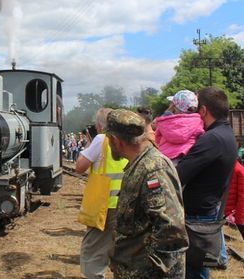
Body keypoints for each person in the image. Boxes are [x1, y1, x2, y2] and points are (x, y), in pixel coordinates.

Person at [106, 109, 188, 278]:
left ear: (116, 140)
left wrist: (152, 271)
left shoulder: (154, 169)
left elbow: (171, 231)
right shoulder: (138, 165)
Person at [176, 86, 238, 278]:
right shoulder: (226, 135)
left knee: (194, 270)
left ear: (203, 110)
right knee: (199, 267)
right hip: (207, 211)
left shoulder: (212, 139)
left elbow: (179, 174)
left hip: (198, 216)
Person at [76, 108, 128, 279]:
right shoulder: (128, 140)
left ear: (99, 126)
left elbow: (80, 166)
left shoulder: (101, 139)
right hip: (126, 204)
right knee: (119, 250)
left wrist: (89, 144)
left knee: (93, 254)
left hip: (105, 206)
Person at [155, 90, 204, 165]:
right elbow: (201, 136)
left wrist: (167, 114)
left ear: (174, 106)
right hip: (184, 158)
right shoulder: (197, 122)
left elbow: (157, 138)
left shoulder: (165, 122)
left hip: (164, 158)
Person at [225, 157, 244, 239]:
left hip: (236, 213)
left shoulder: (238, 170)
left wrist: (240, 219)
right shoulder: (233, 168)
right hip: (231, 212)